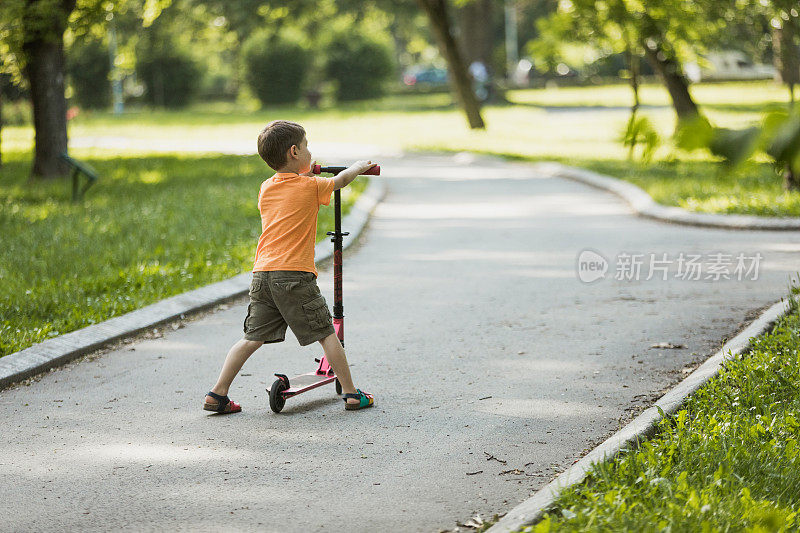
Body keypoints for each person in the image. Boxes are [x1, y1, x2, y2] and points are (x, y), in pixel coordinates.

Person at [203, 120, 375, 414]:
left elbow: (291, 189)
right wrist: (357, 168)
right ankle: (351, 393)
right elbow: (340, 182)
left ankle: (217, 393)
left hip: (262, 274)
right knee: (326, 332)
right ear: (295, 151)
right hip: (293, 274)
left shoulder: (266, 188)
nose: (310, 152)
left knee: (251, 338)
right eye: (307, 147)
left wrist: (306, 172)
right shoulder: (311, 186)